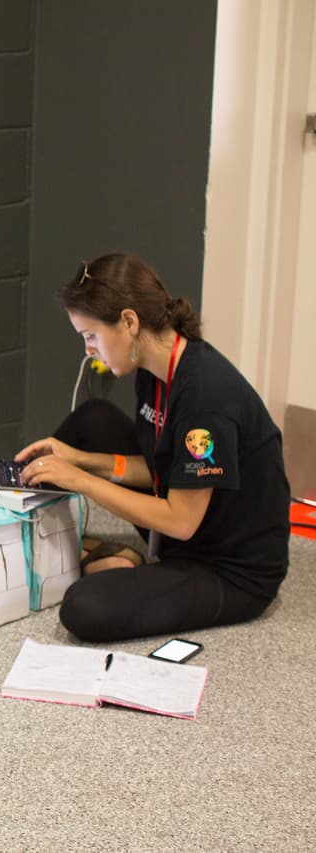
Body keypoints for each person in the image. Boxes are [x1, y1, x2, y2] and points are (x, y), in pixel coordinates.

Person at [17, 252, 290, 642]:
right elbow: (164, 468)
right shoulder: (152, 366)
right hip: (187, 522)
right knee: (91, 421)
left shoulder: (205, 400)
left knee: (84, 608)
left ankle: (121, 564)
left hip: (229, 569)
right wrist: (82, 460)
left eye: (90, 336)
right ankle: (32, 542)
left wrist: (81, 479)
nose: (88, 350)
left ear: (129, 321)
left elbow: (181, 520)